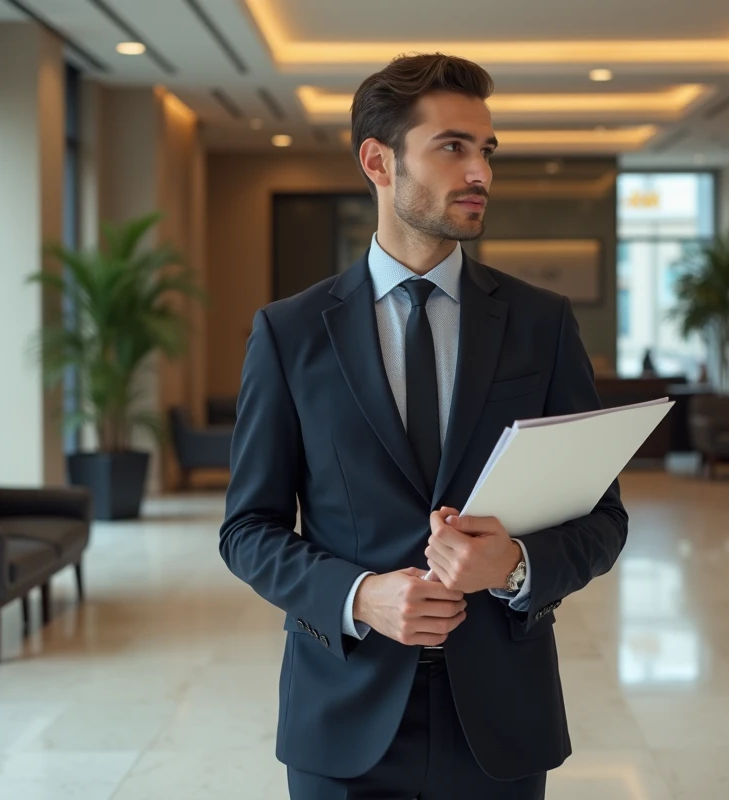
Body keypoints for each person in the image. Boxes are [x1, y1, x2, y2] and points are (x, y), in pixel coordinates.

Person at [219, 52, 629, 800]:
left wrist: (513, 567)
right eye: (452, 147)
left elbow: (604, 519)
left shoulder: (541, 323)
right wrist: (359, 595)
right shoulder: (289, 333)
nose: (480, 172)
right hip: (342, 712)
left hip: (502, 715)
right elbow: (248, 529)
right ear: (378, 161)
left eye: (487, 150)